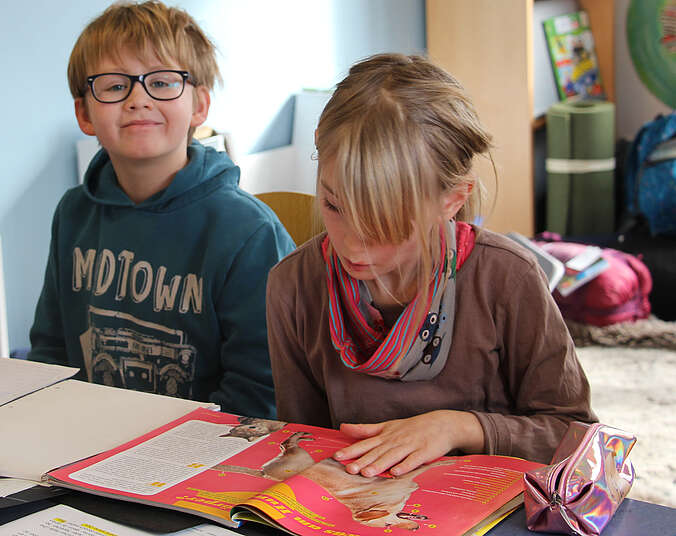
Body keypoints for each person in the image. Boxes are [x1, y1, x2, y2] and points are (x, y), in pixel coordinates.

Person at [266, 53, 596, 476]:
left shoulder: (507, 278)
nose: (353, 247)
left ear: (452, 200)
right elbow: (303, 441)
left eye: (385, 226)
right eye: (333, 205)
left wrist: (459, 427)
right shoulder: (293, 284)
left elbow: (577, 439)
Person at [28, 1, 295, 418]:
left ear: (200, 106)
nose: (138, 99)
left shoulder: (247, 231)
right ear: (84, 113)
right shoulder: (73, 214)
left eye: (163, 82)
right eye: (115, 86)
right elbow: (50, 352)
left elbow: (262, 393)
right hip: (83, 445)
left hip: (205, 459)